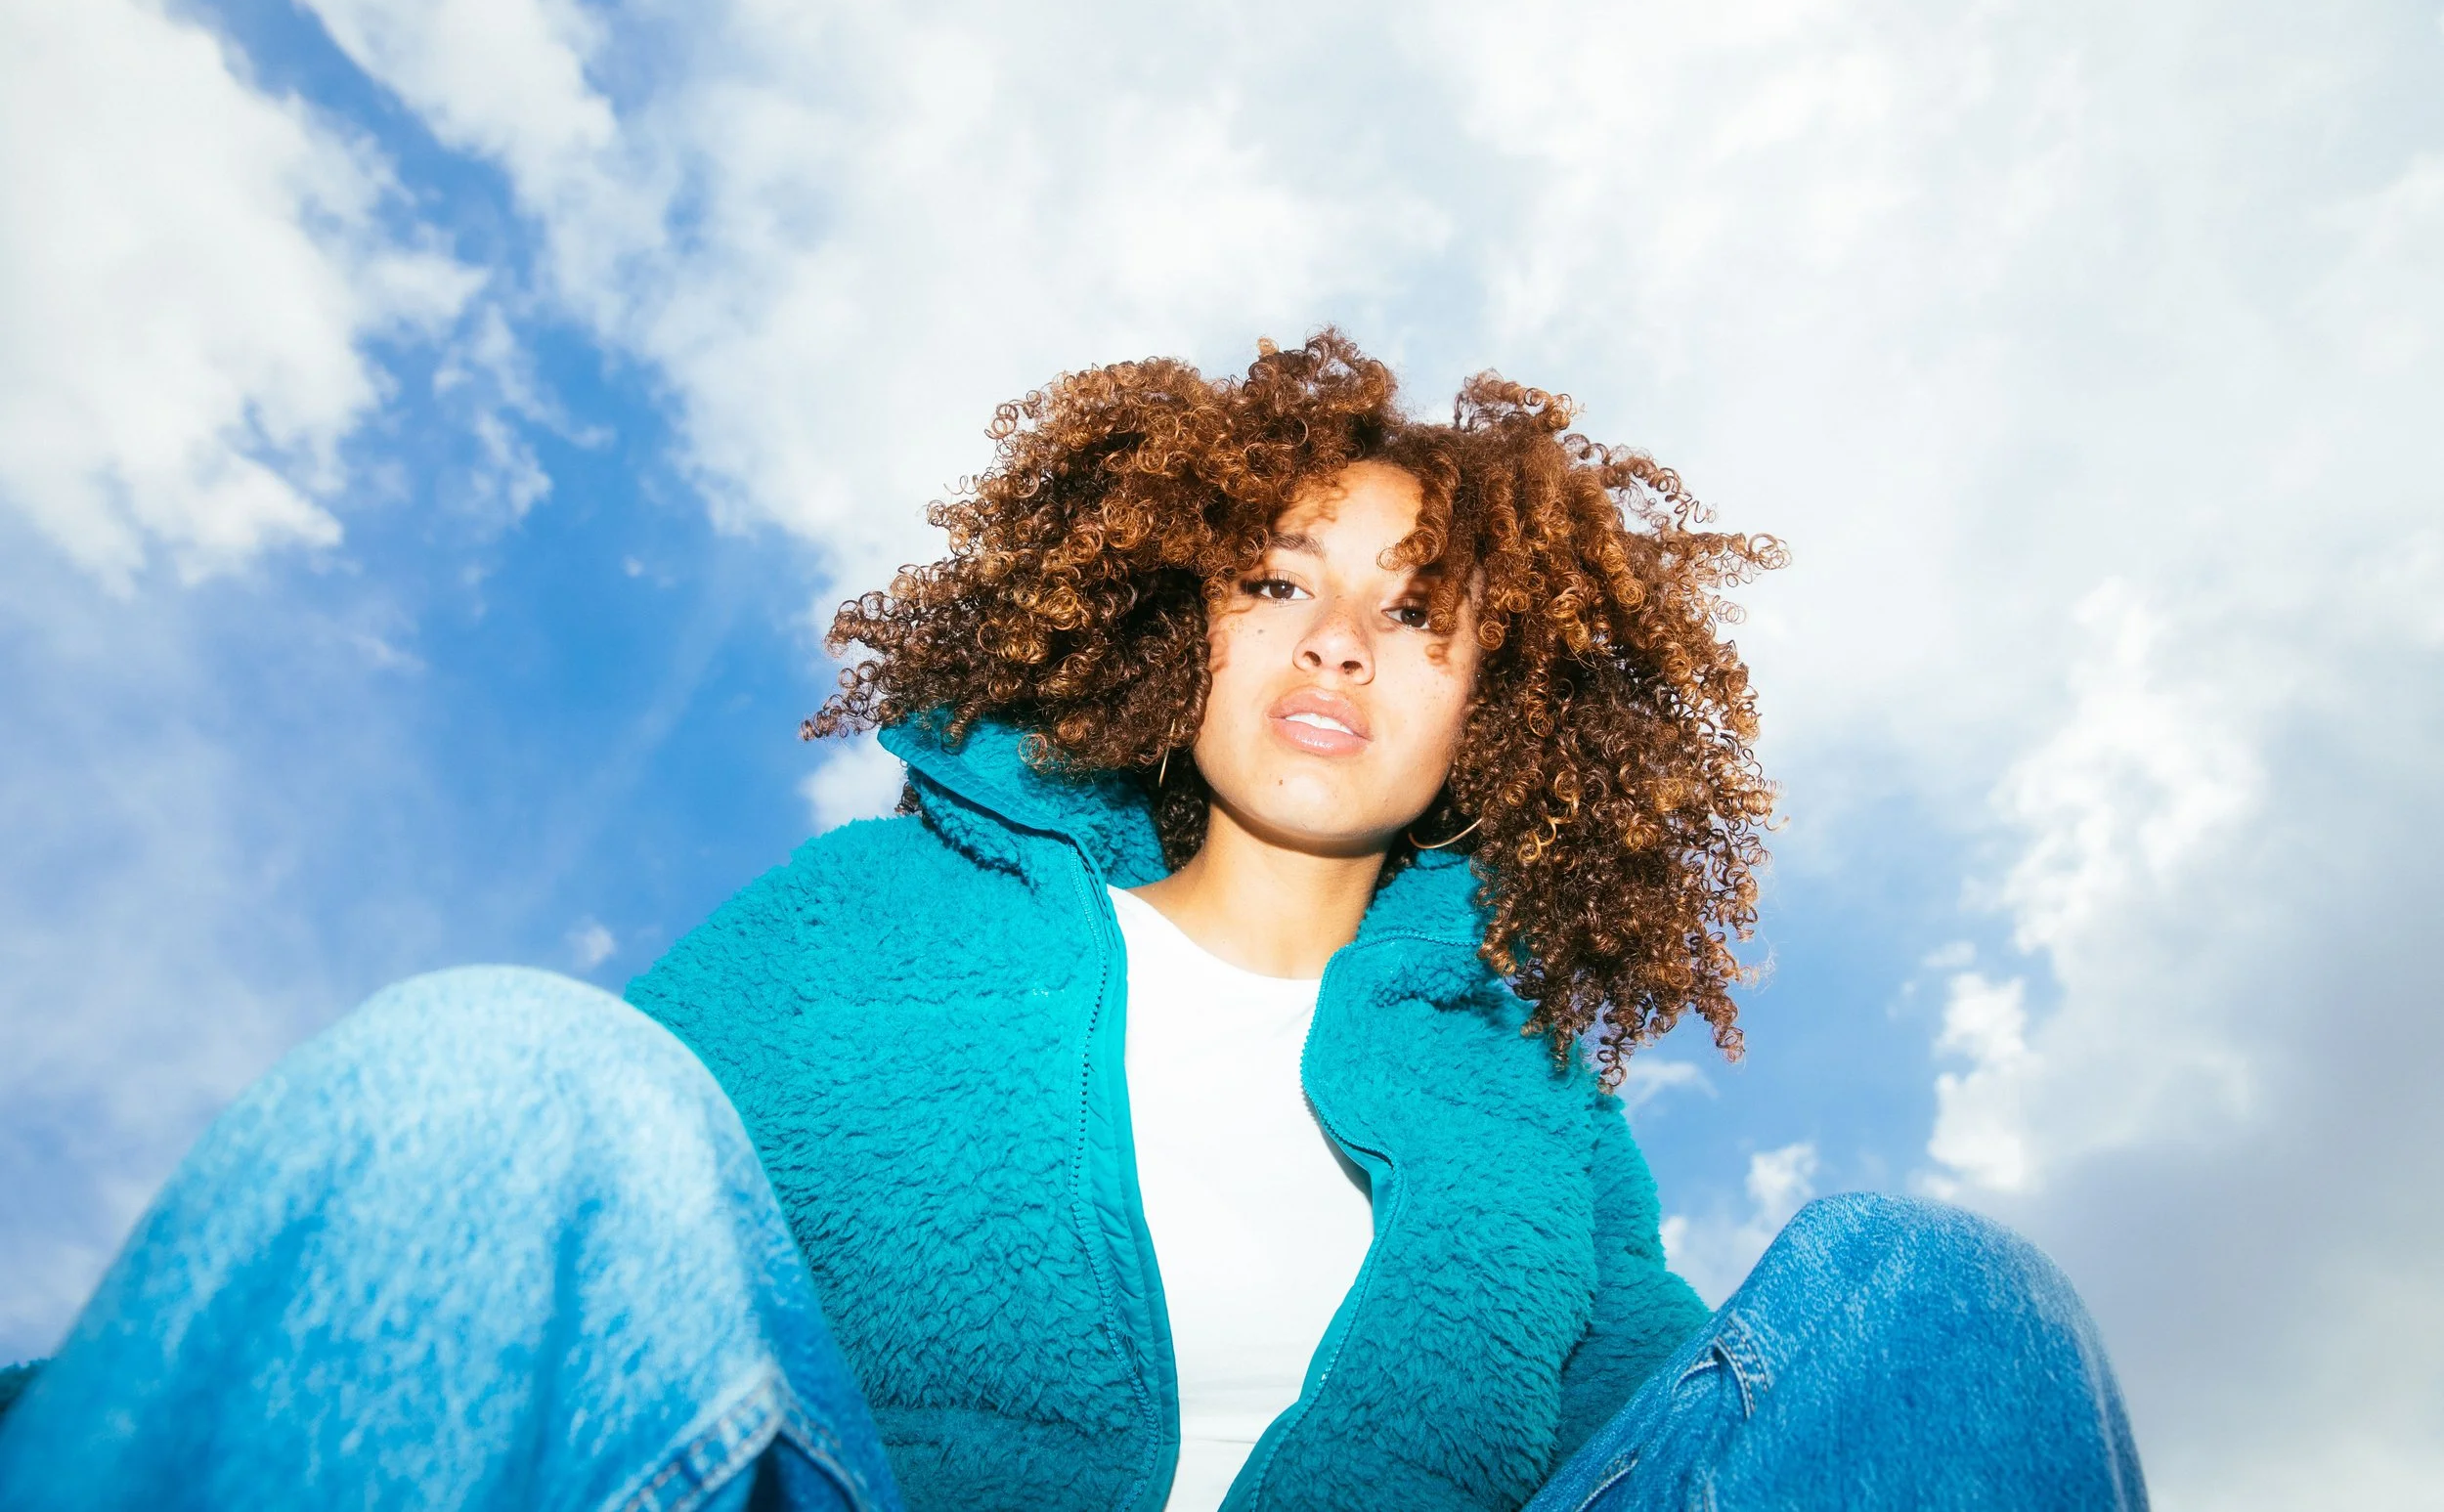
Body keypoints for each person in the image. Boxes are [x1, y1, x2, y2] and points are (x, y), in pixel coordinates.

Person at [0, 332, 2147, 1510]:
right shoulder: (873, 913)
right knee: (499, 1060)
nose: (1334, 650)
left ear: (1504, 711)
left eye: (1420, 620)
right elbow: (535, 1250)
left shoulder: (1525, 1092)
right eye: (1278, 579)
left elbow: (1647, 1414)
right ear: (1173, 611)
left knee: (1934, 1294)